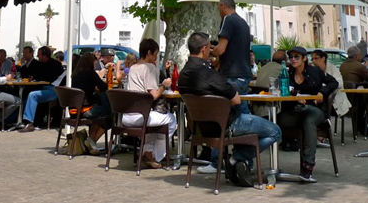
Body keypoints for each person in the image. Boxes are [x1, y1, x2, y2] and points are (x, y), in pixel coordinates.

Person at [178, 31, 281, 188]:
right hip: (228, 125)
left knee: (249, 128)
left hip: (203, 128)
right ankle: (237, 158)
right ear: (205, 49)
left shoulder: (182, 75)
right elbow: (236, 100)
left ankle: (239, 160)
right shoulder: (210, 75)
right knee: (275, 131)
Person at [276, 47, 338, 182]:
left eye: (296, 57)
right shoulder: (286, 74)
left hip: (315, 110)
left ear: (304, 58)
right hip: (294, 111)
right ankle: (268, 165)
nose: (293, 59)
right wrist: (294, 95)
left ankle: (308, 166)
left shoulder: (315, 71)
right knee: (274, 120)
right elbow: (281, 90)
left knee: (308, 120)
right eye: (291, 57)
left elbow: (334, 82)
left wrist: (322, 92)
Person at [123, 38, 177, 168]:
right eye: (155, 54)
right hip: (141, 116)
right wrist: (164, 85)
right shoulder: (150, 68)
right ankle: (156, 156)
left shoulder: (133, 68)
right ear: (149, 53)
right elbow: (154, 95)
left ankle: (147, 152)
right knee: (171, 119)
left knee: (155, 119)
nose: (156, 57)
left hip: (127, 116)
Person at [17, 46, 66, 133]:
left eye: (39, 55)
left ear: (44, 56)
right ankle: (27, 121)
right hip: (43, 88)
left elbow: (57, 80)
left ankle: (29, 122)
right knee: (28, 94)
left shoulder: (56, 64)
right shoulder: (40, 65)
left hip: (54, 90)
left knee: (32, 95)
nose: (37, 56)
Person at [71, 52, 112, 154]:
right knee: (110, 116)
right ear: (91, 62)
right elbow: (104, 87)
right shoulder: (90, 73)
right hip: (85, 110)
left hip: (73, 109)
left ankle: (91, 142)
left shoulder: (75, 73)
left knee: (102, 112)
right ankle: (91, 141)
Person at [311, 49, 350, 117]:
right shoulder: (314, 71)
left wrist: (325, 87)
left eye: (316, 58)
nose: (314, 61)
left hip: (335, 103)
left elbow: (340, 83)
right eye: (312, 59)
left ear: (323, 58)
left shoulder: (332, 68)